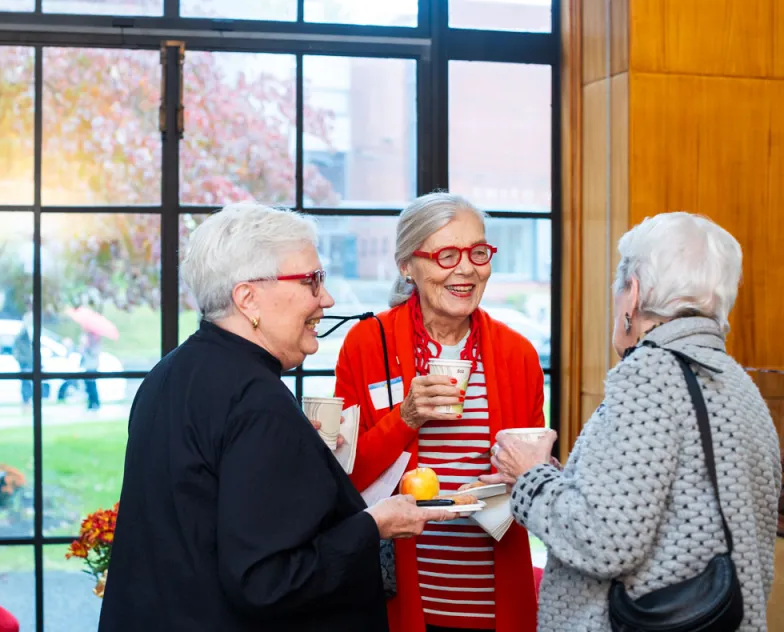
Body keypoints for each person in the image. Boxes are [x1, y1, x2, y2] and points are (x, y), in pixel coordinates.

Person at [99, 204, 454, 632]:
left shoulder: (169, 373)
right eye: (310, 281)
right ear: (248, 298)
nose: (327, 298)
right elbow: (268, 582)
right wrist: (372, 525)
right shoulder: (257, 401)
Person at [488, 212, 781, 631]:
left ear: (634, 293)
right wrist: (565, 486)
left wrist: (529, 477)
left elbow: (605, 542)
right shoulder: (738, 382)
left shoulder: (650, 373)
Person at [334, 192, 544, 632]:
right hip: (403, 595)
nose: (466, 269)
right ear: (408, 265)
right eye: (447, 255)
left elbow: (529, 480)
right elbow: (343, 478)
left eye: (478, 252)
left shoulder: (516, 354)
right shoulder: (368, 345)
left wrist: (525, 477)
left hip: (492, 596)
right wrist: (406, 417)